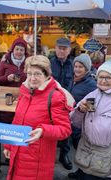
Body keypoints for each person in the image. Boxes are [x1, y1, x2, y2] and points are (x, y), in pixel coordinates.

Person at [3, 55, 74, 180]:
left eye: (37, 74)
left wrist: (43, 131)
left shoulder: (55, 96)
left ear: (46, 75)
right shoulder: (25, 91)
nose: (32, 78)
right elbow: (17, 121)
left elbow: (65, 129)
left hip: (37, 159)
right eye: (29, 73)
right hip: (18, 152)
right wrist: (9, 145)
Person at [67, 53, 97, 179]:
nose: (77, 69)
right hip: (73, 120)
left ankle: (84, 174)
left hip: (82, 124)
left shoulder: (91, 84)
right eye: (76, 66)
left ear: (87, 69)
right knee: (78, 149)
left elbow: (91, 107)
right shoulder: (74, 80)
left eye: (81, 67)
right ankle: (80, 171)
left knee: (84, 150)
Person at [50, 37, 74, 170]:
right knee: (51, 129)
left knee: (66, 129)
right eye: (59, 47)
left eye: (64, 48)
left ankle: (64, 155)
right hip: (51, 101)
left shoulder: (73, 64)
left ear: (69, 50)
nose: (61, 50)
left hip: (67, 101)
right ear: (55, 48)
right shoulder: (49, 63)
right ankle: (50, 155)